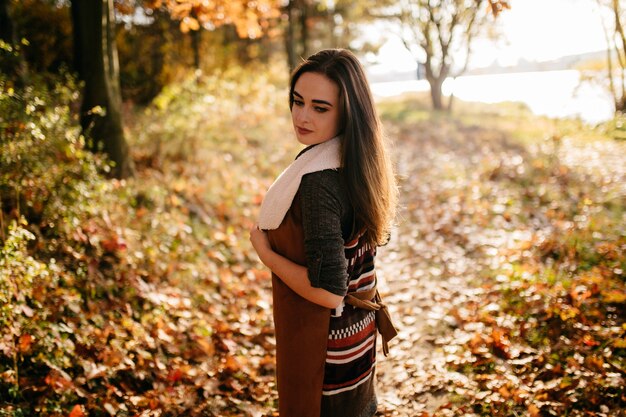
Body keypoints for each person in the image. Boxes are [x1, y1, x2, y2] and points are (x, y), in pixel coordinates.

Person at [250, 48, 398, 417]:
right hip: (357, 337)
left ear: (348, 112)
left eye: (320, 107)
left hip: (329, 352)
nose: (301, 116)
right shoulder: (358, 158)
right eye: (298, 101)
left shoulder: (319, 182)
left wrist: (266, 254)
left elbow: (329, 292)